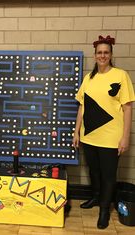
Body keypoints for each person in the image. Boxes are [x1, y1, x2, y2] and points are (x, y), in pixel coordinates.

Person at [73, 35, 135, 229]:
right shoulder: (88, 78)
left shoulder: (121, 75)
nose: (102, 55)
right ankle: (95, 197)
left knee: (108, 175)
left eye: (106, 52)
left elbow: (128, 108)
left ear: (111, 54)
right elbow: (82, 107)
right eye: (99, 52)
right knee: (94, 171)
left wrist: (125, 137)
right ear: (95, 55)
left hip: (111, 138)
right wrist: (77, 132)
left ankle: (104, 210)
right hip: (90, 135)